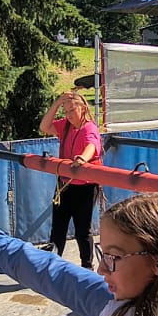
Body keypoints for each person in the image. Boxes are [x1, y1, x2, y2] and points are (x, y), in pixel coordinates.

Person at [39, 90, 103, 268]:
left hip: (85, 186)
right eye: (66, 111)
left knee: (82, 230)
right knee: (58, 227)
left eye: (72, 110)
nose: (69, 115)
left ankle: (87, 267)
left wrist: (83, 158)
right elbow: (44, 127)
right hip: (64, 185)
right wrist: (57, 103)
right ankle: (52, 264)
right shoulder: (65, 126)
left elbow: (92, 145)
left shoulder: (89, 128)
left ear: (83, 109)